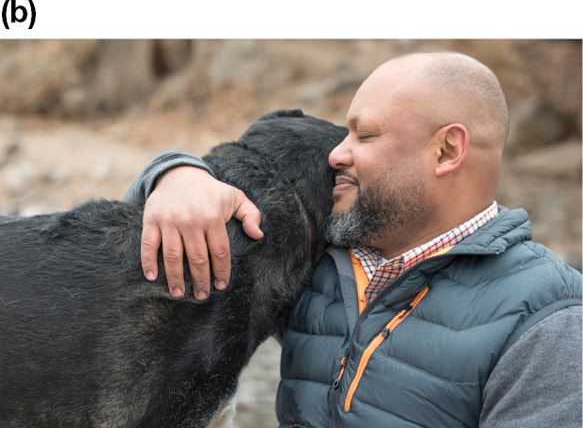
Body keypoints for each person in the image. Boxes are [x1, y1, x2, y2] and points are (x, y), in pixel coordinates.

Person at [124, 52, 582, 427]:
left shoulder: (549, 319)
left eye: (364, 135)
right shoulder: (317, 262)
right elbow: (144, 265)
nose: (336, 153)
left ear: (446, 151)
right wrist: (174, 174)